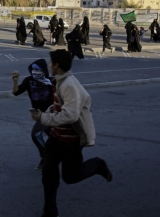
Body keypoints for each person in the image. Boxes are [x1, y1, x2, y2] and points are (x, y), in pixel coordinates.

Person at [30, 49, 112, 217]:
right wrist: (48, 110)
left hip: (70, 142)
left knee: (71, 176)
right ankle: (50, 212)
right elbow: (61, 106)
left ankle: (98, 165)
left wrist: (44, 118)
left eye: (51, 63)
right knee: (48, 176)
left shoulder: (69, 84)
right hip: (55, 138)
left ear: (57, 65)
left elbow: (71, 115)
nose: (49, 65)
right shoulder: (59, 81)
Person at [12, 59, 54, 170]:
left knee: (36, 135)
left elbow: (62, 96)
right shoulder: (29, 81)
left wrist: (52, 108)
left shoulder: (51, 81)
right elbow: (16, 92)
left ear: (44, 71)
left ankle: (46, 158)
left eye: (38, 69)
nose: (35, 72)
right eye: (33, 69)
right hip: (38, 115)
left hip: (50, 114)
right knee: (54, 136)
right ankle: (57, 154)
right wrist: (15, 81)